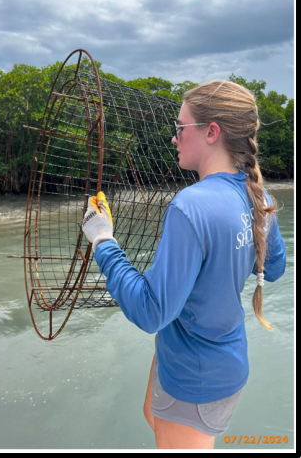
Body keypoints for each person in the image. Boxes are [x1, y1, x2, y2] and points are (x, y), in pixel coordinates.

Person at [81, 80, 286, 449]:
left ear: (211, 132)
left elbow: (151, 312)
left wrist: (103, 240)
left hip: (197, 376)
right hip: (220, 357)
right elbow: (273, 269)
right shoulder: (258, 195)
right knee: (151, 415)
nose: (174, 138)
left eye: (180, 128)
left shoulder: (189, 206)